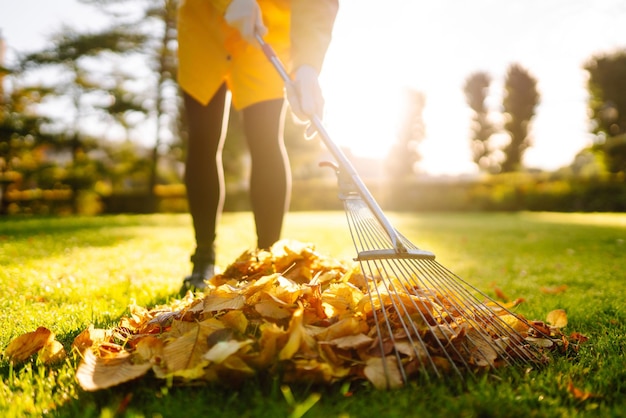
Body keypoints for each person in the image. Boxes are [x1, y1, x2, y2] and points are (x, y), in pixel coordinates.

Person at [177, 0, 339, 292]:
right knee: (204, 136)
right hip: (206, 22)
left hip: (268, 31)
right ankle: (203, 258)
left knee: (265, 138)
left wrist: (307, 66)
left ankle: (267, 260)